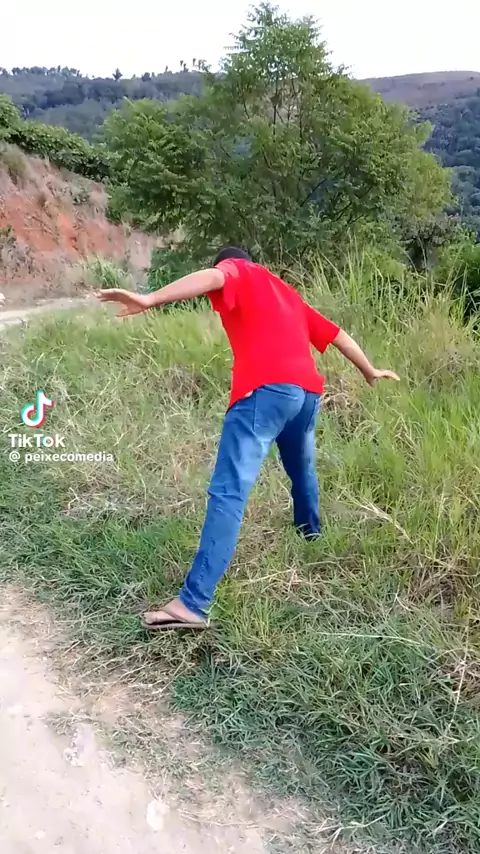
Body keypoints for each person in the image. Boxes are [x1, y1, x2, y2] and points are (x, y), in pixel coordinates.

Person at [98, 247, 399, 630]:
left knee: (229, 492)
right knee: (302, 471)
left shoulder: (239, 269)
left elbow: (216, 277)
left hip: (264, 392)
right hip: (306, 395)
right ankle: (311, 537)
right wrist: (369, 371)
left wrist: (150, 298)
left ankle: (193, 603)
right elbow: (337, 335)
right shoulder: (287, 294)